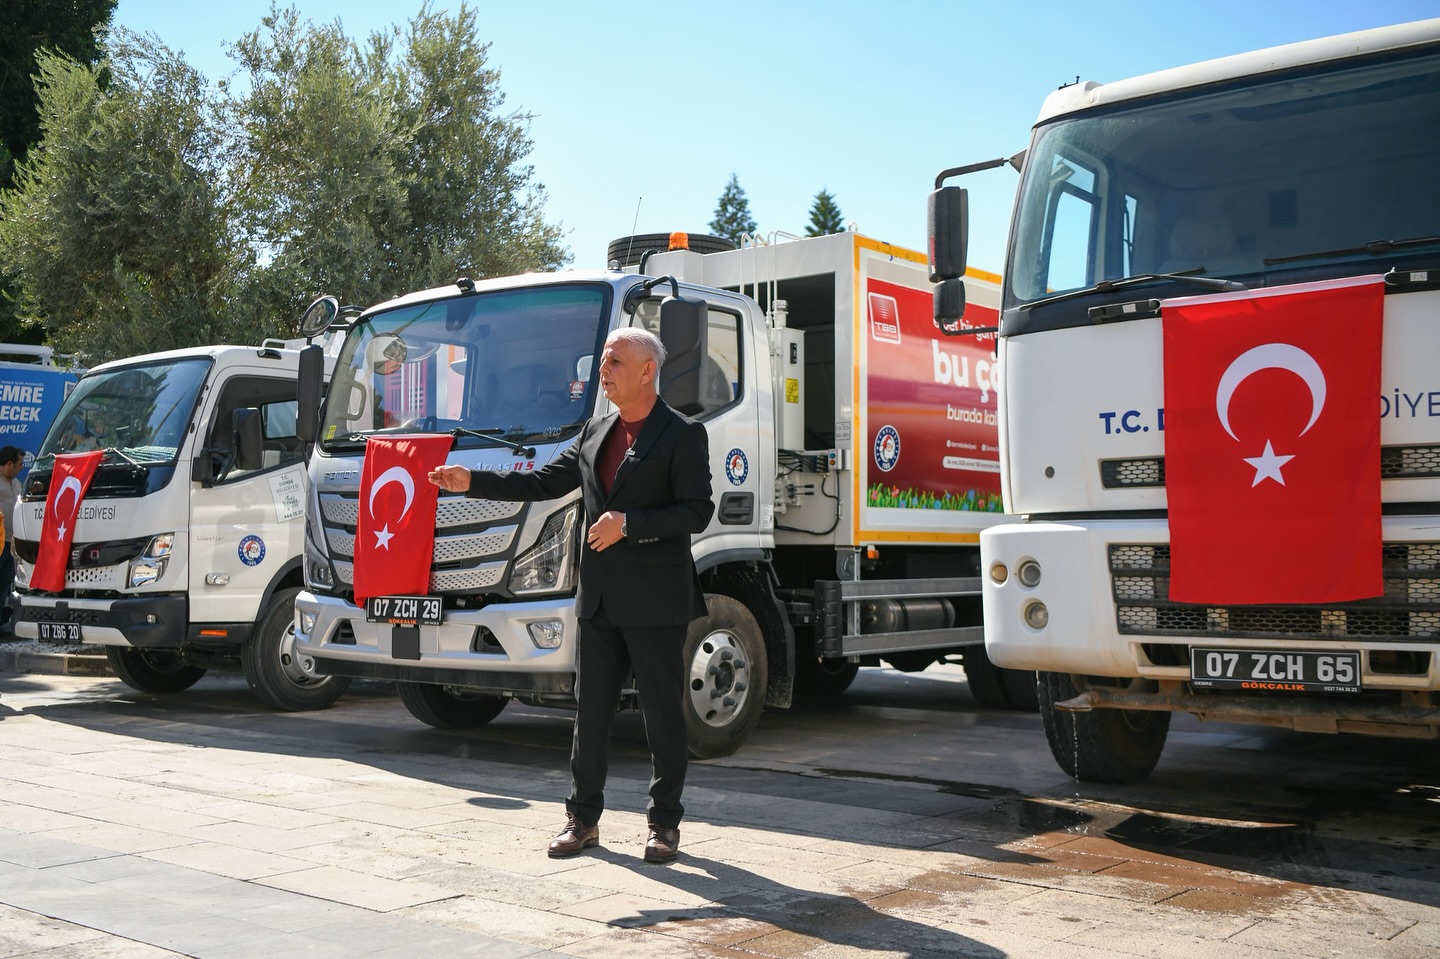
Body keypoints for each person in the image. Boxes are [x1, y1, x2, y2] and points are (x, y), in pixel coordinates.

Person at [429, 327, 713, 864]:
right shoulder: (596, 430)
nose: (601, 370)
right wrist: (474, 480)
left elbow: (698, 511)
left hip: (656, 602)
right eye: (601, 361)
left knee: (661, 717)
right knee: (592, 714)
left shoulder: (681, 434)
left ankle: (664, 826)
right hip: (600, 600)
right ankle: (582, 820)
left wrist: (630, 524)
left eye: (613, 362)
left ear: (648, 370)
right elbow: (542, 482)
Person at [0, 446, 24, 636]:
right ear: (8, 464)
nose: (21, 468)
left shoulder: (16, 483)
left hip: (12, 543)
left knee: (5, 583)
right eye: (19, 465)